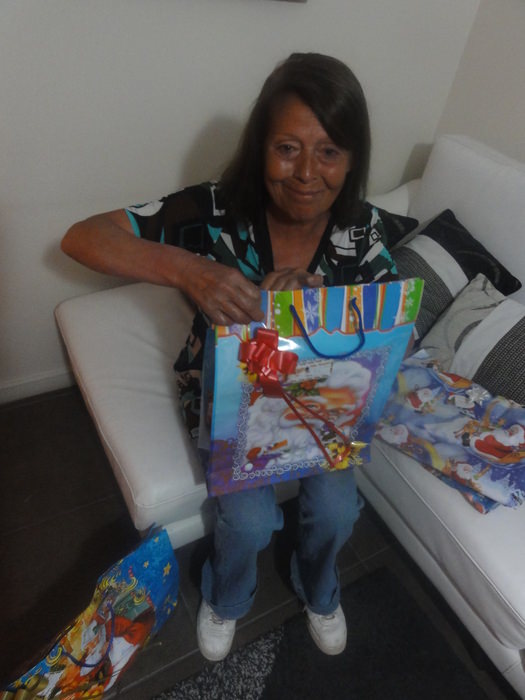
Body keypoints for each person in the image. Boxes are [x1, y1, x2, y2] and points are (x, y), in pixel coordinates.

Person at [61, 52, 398, 662]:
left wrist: (323, 309)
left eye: (329, 151)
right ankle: (228, 596)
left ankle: (319, 587)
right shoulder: (217, 211)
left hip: (323, 399)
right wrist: (192, 272)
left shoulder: (361, 230)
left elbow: (392, 326)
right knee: (247, 521)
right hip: (228, 393)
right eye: (287, 148)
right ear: (260, 147)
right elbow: (82, 237)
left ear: (352, 159)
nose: (306, 173)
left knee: (337, 509)